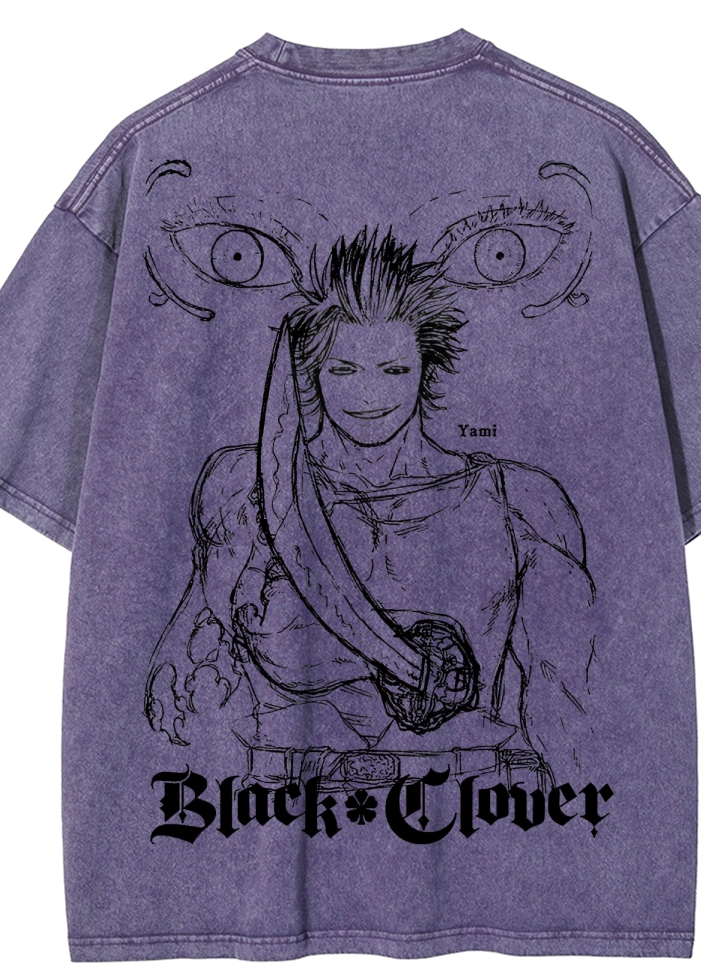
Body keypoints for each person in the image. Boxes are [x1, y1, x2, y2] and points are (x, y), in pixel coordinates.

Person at [145, 227, 597, 789]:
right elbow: (182, 678)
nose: (368, 396)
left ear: (425, 368)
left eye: (394, 370)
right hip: (277, 811)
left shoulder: (521, 504)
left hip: (474, 811)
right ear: (310, 373)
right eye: (343, 370)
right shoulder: (244, 488)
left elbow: (570, 714)